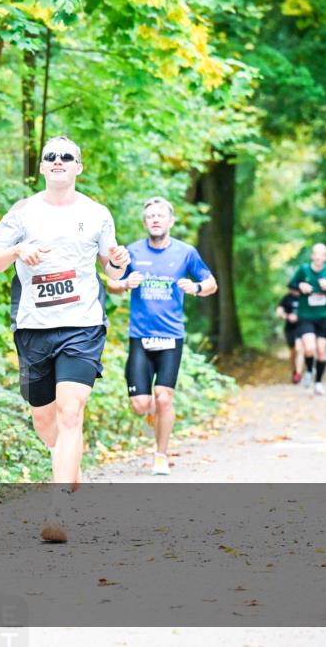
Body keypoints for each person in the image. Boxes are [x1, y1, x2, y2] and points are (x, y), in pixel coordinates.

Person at [0, 135, 129, 543]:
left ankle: (58, 511)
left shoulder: (97, 214)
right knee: (45, 419)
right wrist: (18, 251)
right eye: (52, 157)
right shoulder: (23, 212)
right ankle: (69, 461)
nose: (59, 161)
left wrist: (117, 263)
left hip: (82, 325)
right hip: (33, 327)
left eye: (68, 156)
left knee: (70, 413)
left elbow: (112, 272)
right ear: (43, 167)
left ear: (79, 167)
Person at [107, 196, 216, 476]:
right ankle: (155, 416)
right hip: (140, 338)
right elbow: (110, 282)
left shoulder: (186, 252)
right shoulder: (131, 251)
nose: (155, 219)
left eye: (160, 215)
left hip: (171, 337)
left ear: (170, 221)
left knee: (164, 397)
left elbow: (211, 283)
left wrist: (196, 287)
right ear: (145, 223)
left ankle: (161, 456)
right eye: (150, 216)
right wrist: (123, 284)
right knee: (141, 405)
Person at [289, 243, 326, 396]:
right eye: (316, 254)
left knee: (321, 351)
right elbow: (291, 284)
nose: (318, 257)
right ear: (312, 256)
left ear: (325, 257)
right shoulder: (303, 270)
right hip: (306, 316)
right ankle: (309, 371)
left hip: (324, 317)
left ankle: (318, 382)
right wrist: (301, 285)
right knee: (309, 348)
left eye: (322, 254)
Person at [275, 288, 302, 383]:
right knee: (293, 351)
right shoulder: (286, 298)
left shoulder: (305, 297)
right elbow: (279, 311)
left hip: (303, 327)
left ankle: (299, 373)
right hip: (290, 328)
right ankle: (294, 371)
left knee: (300, 349)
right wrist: (287, 316)